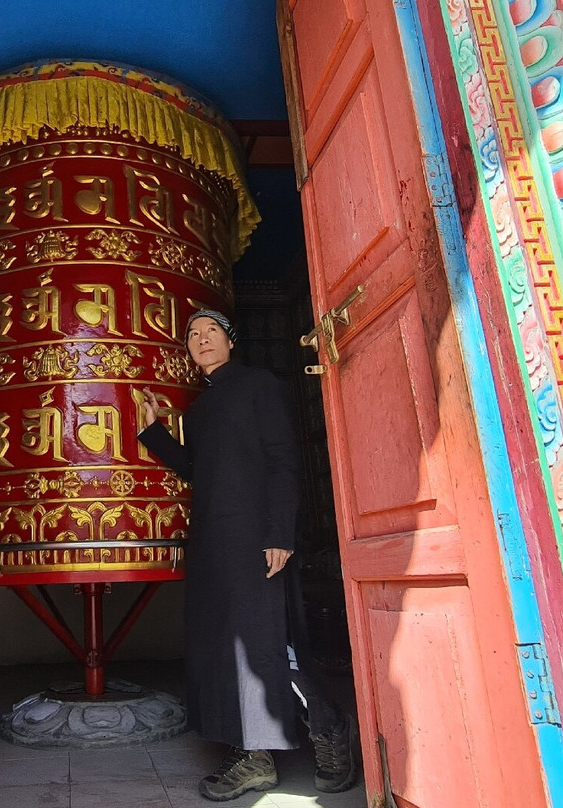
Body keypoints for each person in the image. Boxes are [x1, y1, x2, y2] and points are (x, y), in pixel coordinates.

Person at [137, 309, 357, 801]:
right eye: (192, 335)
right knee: (224, 650)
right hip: (214, 543)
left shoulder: (260, 385)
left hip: (259, 539)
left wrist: (280, 532)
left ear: (230, 341)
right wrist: (154, 432)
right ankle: (252, 757)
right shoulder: (199, 410)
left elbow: (283, 458)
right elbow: (199, 469)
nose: (201, 339)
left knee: (271, 644)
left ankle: (329, 733)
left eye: (210, 331)